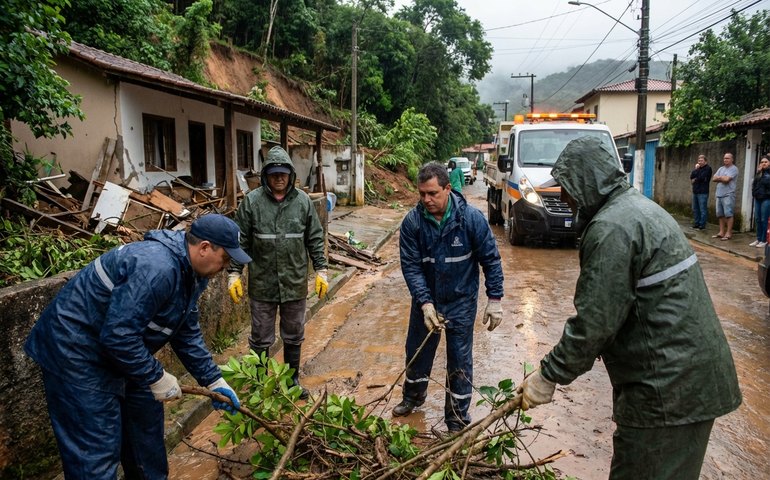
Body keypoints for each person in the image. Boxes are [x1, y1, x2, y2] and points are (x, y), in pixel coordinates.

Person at [516, 137, 742, 480]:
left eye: (567, 187)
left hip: (667, 390)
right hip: (687, 383)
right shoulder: (638, 209)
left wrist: (549, 375)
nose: (563, 197)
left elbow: (595, 322)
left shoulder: (612, 228)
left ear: (586, 182)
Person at [24, 213, 251, 479]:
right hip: (76, 355)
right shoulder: (156, 267)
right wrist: (155, 376)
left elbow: (185, 329)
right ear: (204, 248)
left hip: (122, 353)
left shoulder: (193, 273)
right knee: (95, 452)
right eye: (225, 258)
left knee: (145, 435)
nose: (225, 267)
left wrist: (213, 381)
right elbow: (118, 335)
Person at [395, 162, 505, 432]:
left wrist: (495, 300)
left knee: (459, 360)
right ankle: (413, 396)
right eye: (421, 194)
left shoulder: (471, 220)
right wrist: (425, 303)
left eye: (432, 193)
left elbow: (490, 259)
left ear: (448, 188)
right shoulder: (413, 223)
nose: (426, 200)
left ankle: (456, 420)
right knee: (417, 352)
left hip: (461, 302)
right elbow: (411, 267)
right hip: (427, 301)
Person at [227, 145, 328, 400]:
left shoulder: (303, 202)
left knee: (294, 335)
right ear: (266, 175)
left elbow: (315, 239)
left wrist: (322, 270)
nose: (279, 178)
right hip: (263, 285)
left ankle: (292, 381)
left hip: (294, 282)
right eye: (274, 173)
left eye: (283, 173)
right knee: (261, 338)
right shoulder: (252, 202)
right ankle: (261, 384)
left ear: (291, 175)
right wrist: (234, 273)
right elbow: (240, 242)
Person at [711, 152, 739, 240]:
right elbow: (713, 178)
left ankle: (728, 232)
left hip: (728, 194)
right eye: (724, 158)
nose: (725, 160)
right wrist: (721, 178)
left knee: (728, 214)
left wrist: (719, 178)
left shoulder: (734, 169)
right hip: (719, 194)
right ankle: (721, 232)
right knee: (720, 214)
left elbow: (727, 179)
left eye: (727, 158)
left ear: (732, 159)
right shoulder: (721, 168)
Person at [750, 155, 770, 247]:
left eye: (765, 162)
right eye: (762, 162)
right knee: (757, 219)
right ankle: (758, 239)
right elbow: (754, 184)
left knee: (764, 219)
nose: (763, 163)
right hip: (758, 198)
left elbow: (767, 183)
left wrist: (763, 173)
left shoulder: (768, 173)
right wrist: (759, 173)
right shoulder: (759, 173)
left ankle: (764, 240)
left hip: (766, 198)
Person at [689, 154, 712, 229]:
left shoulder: (708, 168)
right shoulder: (697, 169)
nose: (700, 162)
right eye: (699, 161)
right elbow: (691, 176)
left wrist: (695, 179)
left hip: (703, 192)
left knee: (702, 209)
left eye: (702, 161)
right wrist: (696, 169)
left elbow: (702, 177)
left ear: (705, 161)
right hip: (695, 191)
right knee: (695, 209)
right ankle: (696, 223)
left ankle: (702, 224)